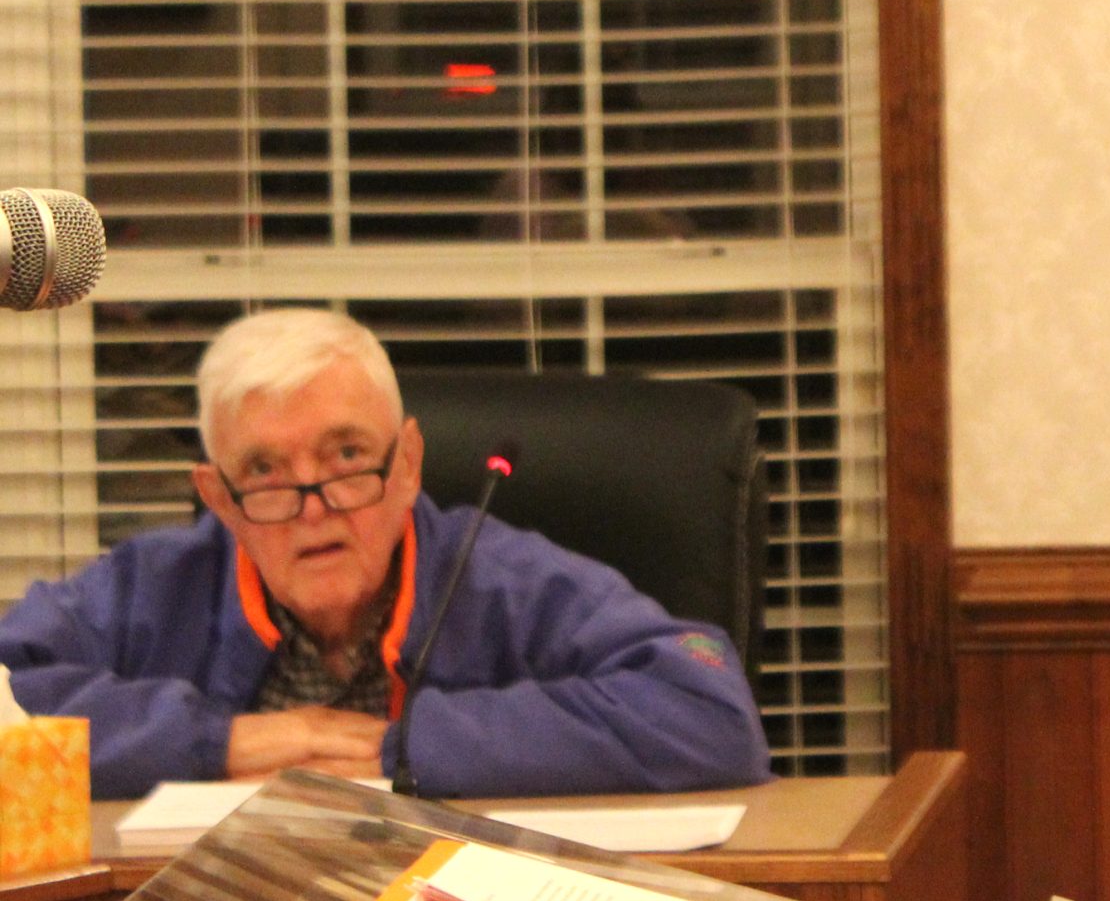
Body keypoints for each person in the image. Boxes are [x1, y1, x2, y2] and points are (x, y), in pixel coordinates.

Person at [0, 308, 772, 801]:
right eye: (265, 470)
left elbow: (708, 712)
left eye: (346, 456)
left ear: (407, 466)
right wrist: (219, 741)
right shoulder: (149, 585)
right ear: (219, 496)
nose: (314, 508)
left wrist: (405, 746)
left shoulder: (506, 578)